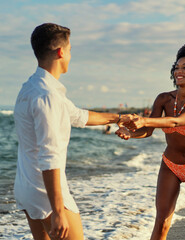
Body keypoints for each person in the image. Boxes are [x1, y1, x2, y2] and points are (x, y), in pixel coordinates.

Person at [13, 23, 131, 240]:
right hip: (46, 194)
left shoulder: (30, 88)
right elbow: (50, 156)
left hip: (26, 186)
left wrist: (119, 118)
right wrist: (58, 212)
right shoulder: (48, 95)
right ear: (60, 52)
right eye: (69, 51)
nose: (70, 56)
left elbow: (78, 115)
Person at [116, 42, 185, 240]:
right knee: (162, 220)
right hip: (170, 165)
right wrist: (131, 133)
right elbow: (147, 131)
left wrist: (144, 119)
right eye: (176, 67)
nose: (178, 71)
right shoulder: (164, 99)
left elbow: (176, 121)